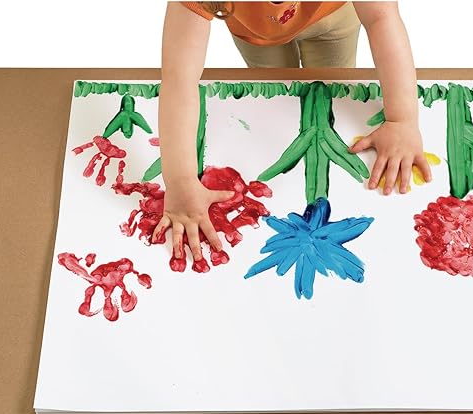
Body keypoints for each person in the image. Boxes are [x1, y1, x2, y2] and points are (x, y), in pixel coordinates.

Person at [155, 1, 431, 263]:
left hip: (332, 19)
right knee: (277, 93)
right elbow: (179, 77)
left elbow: (381, 16)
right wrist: (180, 181)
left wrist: (402, 120)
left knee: (328, 95)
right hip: (258, 32)